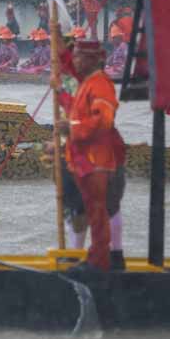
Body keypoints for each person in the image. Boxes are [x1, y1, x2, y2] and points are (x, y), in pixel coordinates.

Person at [56, 40, 121, 273]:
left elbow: (104, 121)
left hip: (97, 160)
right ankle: (96, 256)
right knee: (93, 211)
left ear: (92, 60)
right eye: (74, 57)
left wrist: (71, 128)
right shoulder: (88, 84)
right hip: (85, 159)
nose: (75, 62)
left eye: (79, 57)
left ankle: (99, 260)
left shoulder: (100, 84)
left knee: (97, 210)